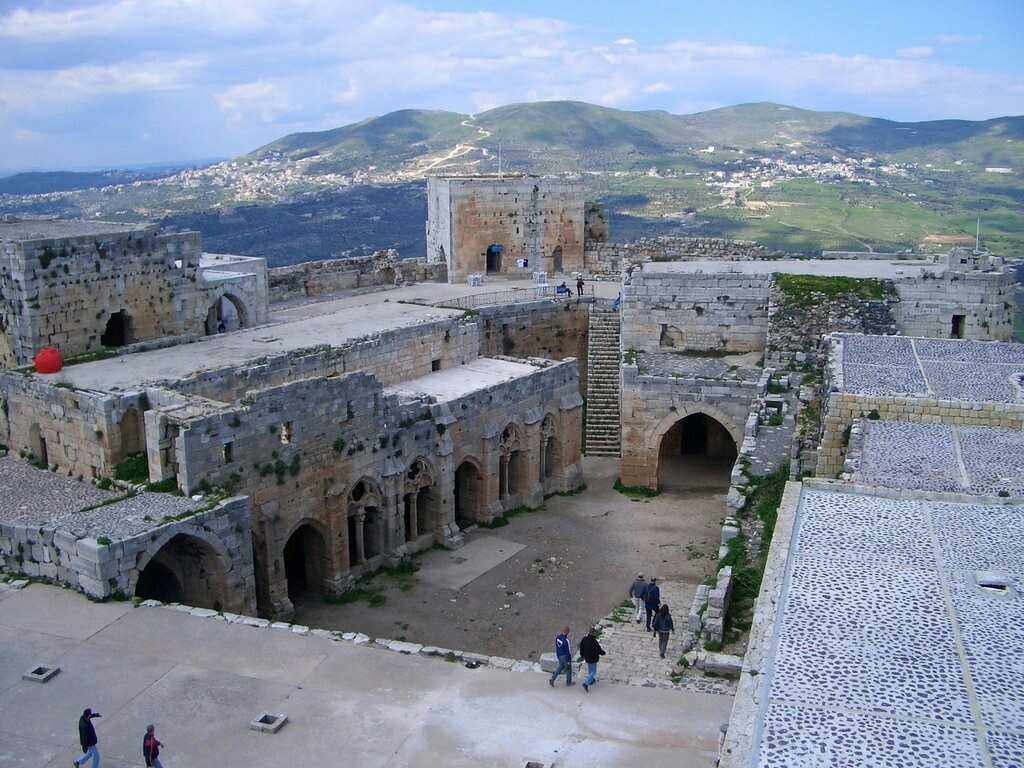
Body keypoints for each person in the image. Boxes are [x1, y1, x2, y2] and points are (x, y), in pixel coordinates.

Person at [577, 626, 606, 692]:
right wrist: (603, 653)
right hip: (593, 658)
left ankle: (591, 680)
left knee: (590, 670)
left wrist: (582, 655)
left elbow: (581, 647)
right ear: (594, 633)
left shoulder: (584, 639)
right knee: (593, 671)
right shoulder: (594, 641)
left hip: (587, 657)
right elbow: (599, 650)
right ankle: (586, 683)